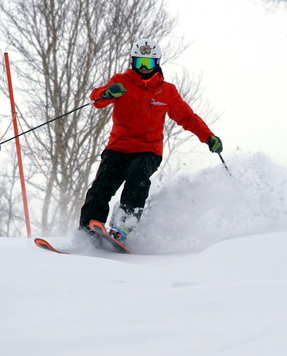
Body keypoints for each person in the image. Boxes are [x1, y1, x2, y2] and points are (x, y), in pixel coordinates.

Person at [79, 38, 223, 243]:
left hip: (148, 150)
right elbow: (97, 101)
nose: (144, 68)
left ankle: (123, 225)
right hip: (118, 147)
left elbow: (187, 117)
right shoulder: (121, 82)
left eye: (149, 64)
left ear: (157, 63)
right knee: (101, 187)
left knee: (138, 179)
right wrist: (107, 92)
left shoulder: (167, 91)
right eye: (140, 63)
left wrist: (208, 137)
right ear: (133, 62)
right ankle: (87, 231)